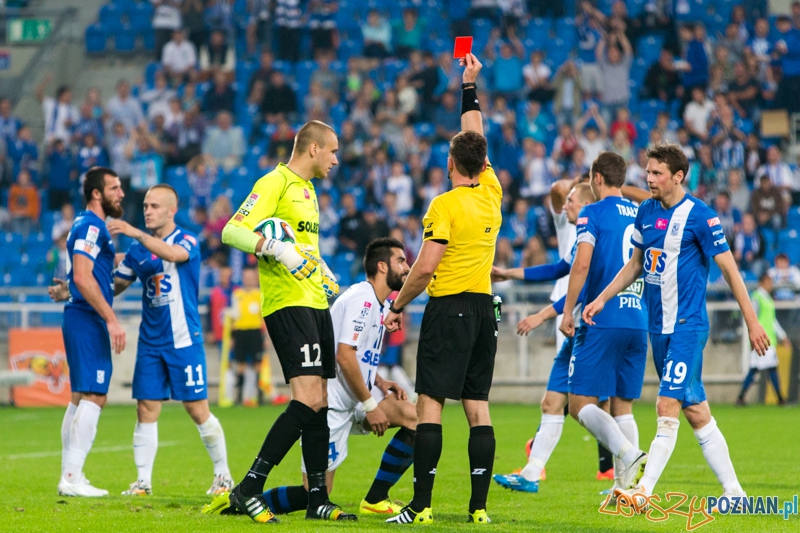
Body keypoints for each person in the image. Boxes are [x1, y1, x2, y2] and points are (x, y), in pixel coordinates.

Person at [582, 143, 769, 506]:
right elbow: (635, 264)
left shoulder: (701, 216)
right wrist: (602, 298)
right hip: (659, 329)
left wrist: (753, 322)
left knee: (665, 405)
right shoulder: (646, 212)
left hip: (688, 326)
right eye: (648, 172)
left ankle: (642, 491)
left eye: (657, 174)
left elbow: (730, 270)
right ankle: (735, 493)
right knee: (696, 411)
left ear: (678, 177)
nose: (649, 179)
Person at [203, 120, 354, 523]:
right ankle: (250, 486)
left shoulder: (308, 191)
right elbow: (233, 231)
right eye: (333, 151)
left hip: (314, 300)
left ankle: (317, 497)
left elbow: (301, 246)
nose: (336, 159)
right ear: (313, 149)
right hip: (287, 304)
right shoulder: (276, 182)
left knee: (320, 401)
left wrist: (319, 266)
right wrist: (274, 249)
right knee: (306, 399)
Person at [383, 53, 501, 526]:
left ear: (449, 162)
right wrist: (468, 87)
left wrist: (398, 302)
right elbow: (478, 138)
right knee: (478, 408)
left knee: (430, 403)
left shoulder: (444, 204)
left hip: (448, 308)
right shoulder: (491, 191)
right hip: (483, 311)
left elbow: (426, 266)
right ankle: (478, 509)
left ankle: (421, 506)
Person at [74, 184, 231, 497]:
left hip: (184, 339)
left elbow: (173, 254)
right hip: (150, 342)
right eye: (145, 205)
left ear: (171, 211)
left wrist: (134, 232)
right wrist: (72, 290)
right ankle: (143, 482)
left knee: (197, 409)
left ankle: (223, 475)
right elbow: (116, 285)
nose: (147, 210)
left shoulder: (186, 239)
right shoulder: (138, 251)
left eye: (155, 206)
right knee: (145, 408)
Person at [249, 238, 418, 517]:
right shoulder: (362, 300)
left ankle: (375, 498)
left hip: (357, 399)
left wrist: (378, 382)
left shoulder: (378, 303)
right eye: (400, 261)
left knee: (415, 418)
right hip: (333, 408)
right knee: (313, 495)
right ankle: (239, 503)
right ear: (381, 266)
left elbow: (356, 353)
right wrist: (371, 405)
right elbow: (344, 355)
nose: (407, 266)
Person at [491, 183, 596, 493]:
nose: (565, 207)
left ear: (587, 204)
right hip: (575, 326)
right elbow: (558, 268)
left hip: (590, 328)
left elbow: (582, 291)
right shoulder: (581, 238)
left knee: (595, 407)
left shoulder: (594, 237)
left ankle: (630, 464)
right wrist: (510, 273)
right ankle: (531, 474)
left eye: (572, 202)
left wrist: (540, 316)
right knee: (553, 402)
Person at [559, 151, 650, 497]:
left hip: (602, 316)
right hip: (637, 317)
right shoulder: (639, 211)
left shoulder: (591, 212)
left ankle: (629, 454)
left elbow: (581, 265)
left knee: (579, 404)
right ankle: (625, 486)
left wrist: (568, 310)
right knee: (622, 403)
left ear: (597, 178)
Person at [48, 167, 126, 497]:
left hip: (81, 314)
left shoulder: (88, 226)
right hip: (87, 318)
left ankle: (70, 475)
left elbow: (92, 272)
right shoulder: (92, 226)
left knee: (81, 396)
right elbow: (83, 276)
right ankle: (72, 475)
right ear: (97, 193)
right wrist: (111, 318)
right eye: (114, 187)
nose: (121, 193)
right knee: (95, 395)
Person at [737, 273, 789, 406]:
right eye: (768, 282)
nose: (771, 285)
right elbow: (751, 318)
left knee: (756, 369)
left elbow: (771, 321)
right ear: (761, 283)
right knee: (770, 368)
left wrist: (782, 336)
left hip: (768, 339)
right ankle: (780, 398)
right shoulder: (756, 298)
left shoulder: (768, 299)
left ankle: (741, 397)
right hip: (761, 339)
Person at [230, 267, 267, 406]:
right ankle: (239, 395)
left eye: (251, 277)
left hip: (255, 331)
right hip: (240, 332)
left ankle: (259, 394)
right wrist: (232, 337)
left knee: (258, 363)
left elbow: (264, 316)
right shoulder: (237, 294)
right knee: (240, 364)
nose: (249, 279)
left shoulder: (259, 294)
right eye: (246, 277)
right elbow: (233, 316)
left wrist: (266, 337)